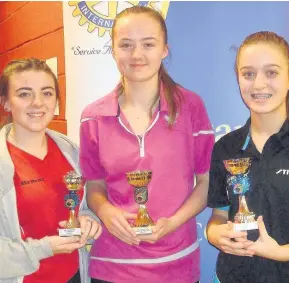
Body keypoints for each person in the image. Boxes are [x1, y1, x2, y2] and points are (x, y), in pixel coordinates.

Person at [79, 5, 214, 283]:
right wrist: (104, 210)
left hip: (177, 264)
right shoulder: (92, 116)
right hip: (113, 266)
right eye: (126, 45)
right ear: (113, 50)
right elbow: (94, 186)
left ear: (164, 49)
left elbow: (205, 184)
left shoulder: (191, 107)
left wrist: (171, 224)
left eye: (148, 44)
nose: (137, 54)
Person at [207, 31, 289, 283]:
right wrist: (215, 234)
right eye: (248, 74)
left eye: (271, 72)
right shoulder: (226, 148)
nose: (259, 84)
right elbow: (219, 215)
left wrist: (281, 253)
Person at [0, 58, 102, 283]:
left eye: (47, 93)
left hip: (76, 275)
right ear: (6, 102)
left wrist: (88, 218)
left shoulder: (71, 151)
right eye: (24, 94)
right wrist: (43, 248)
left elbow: (85, 205)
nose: (38, 103)